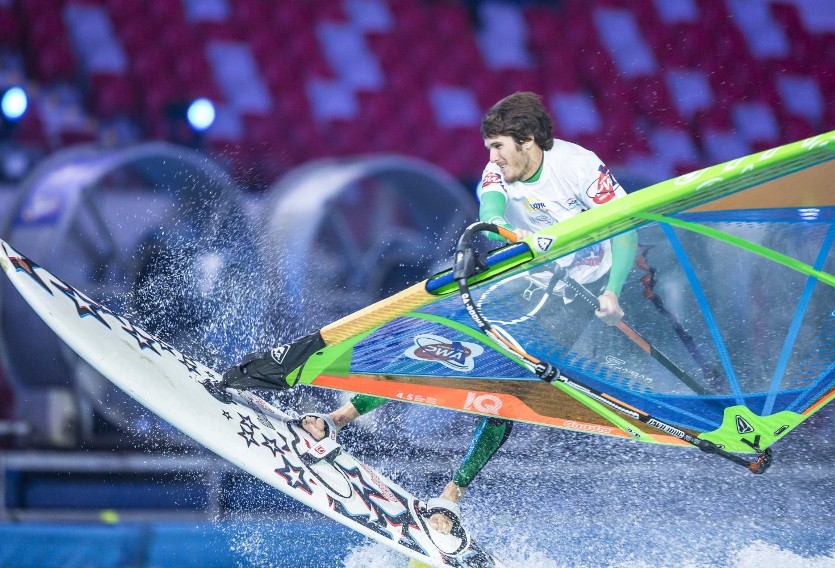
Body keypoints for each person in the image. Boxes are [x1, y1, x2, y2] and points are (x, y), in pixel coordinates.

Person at [220, 91, 638, 534]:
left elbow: (625, 227)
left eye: (498, 146)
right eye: (489, 147)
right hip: (528, 276)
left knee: (509, 392)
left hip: (581, 293)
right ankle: (336, 420)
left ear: (528, 139)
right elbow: (492, 203)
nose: (492, 156)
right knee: (439, 350)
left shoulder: (579, 167)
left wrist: (612, 292)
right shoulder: (498, 167)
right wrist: (498, 228)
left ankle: (451, 498)